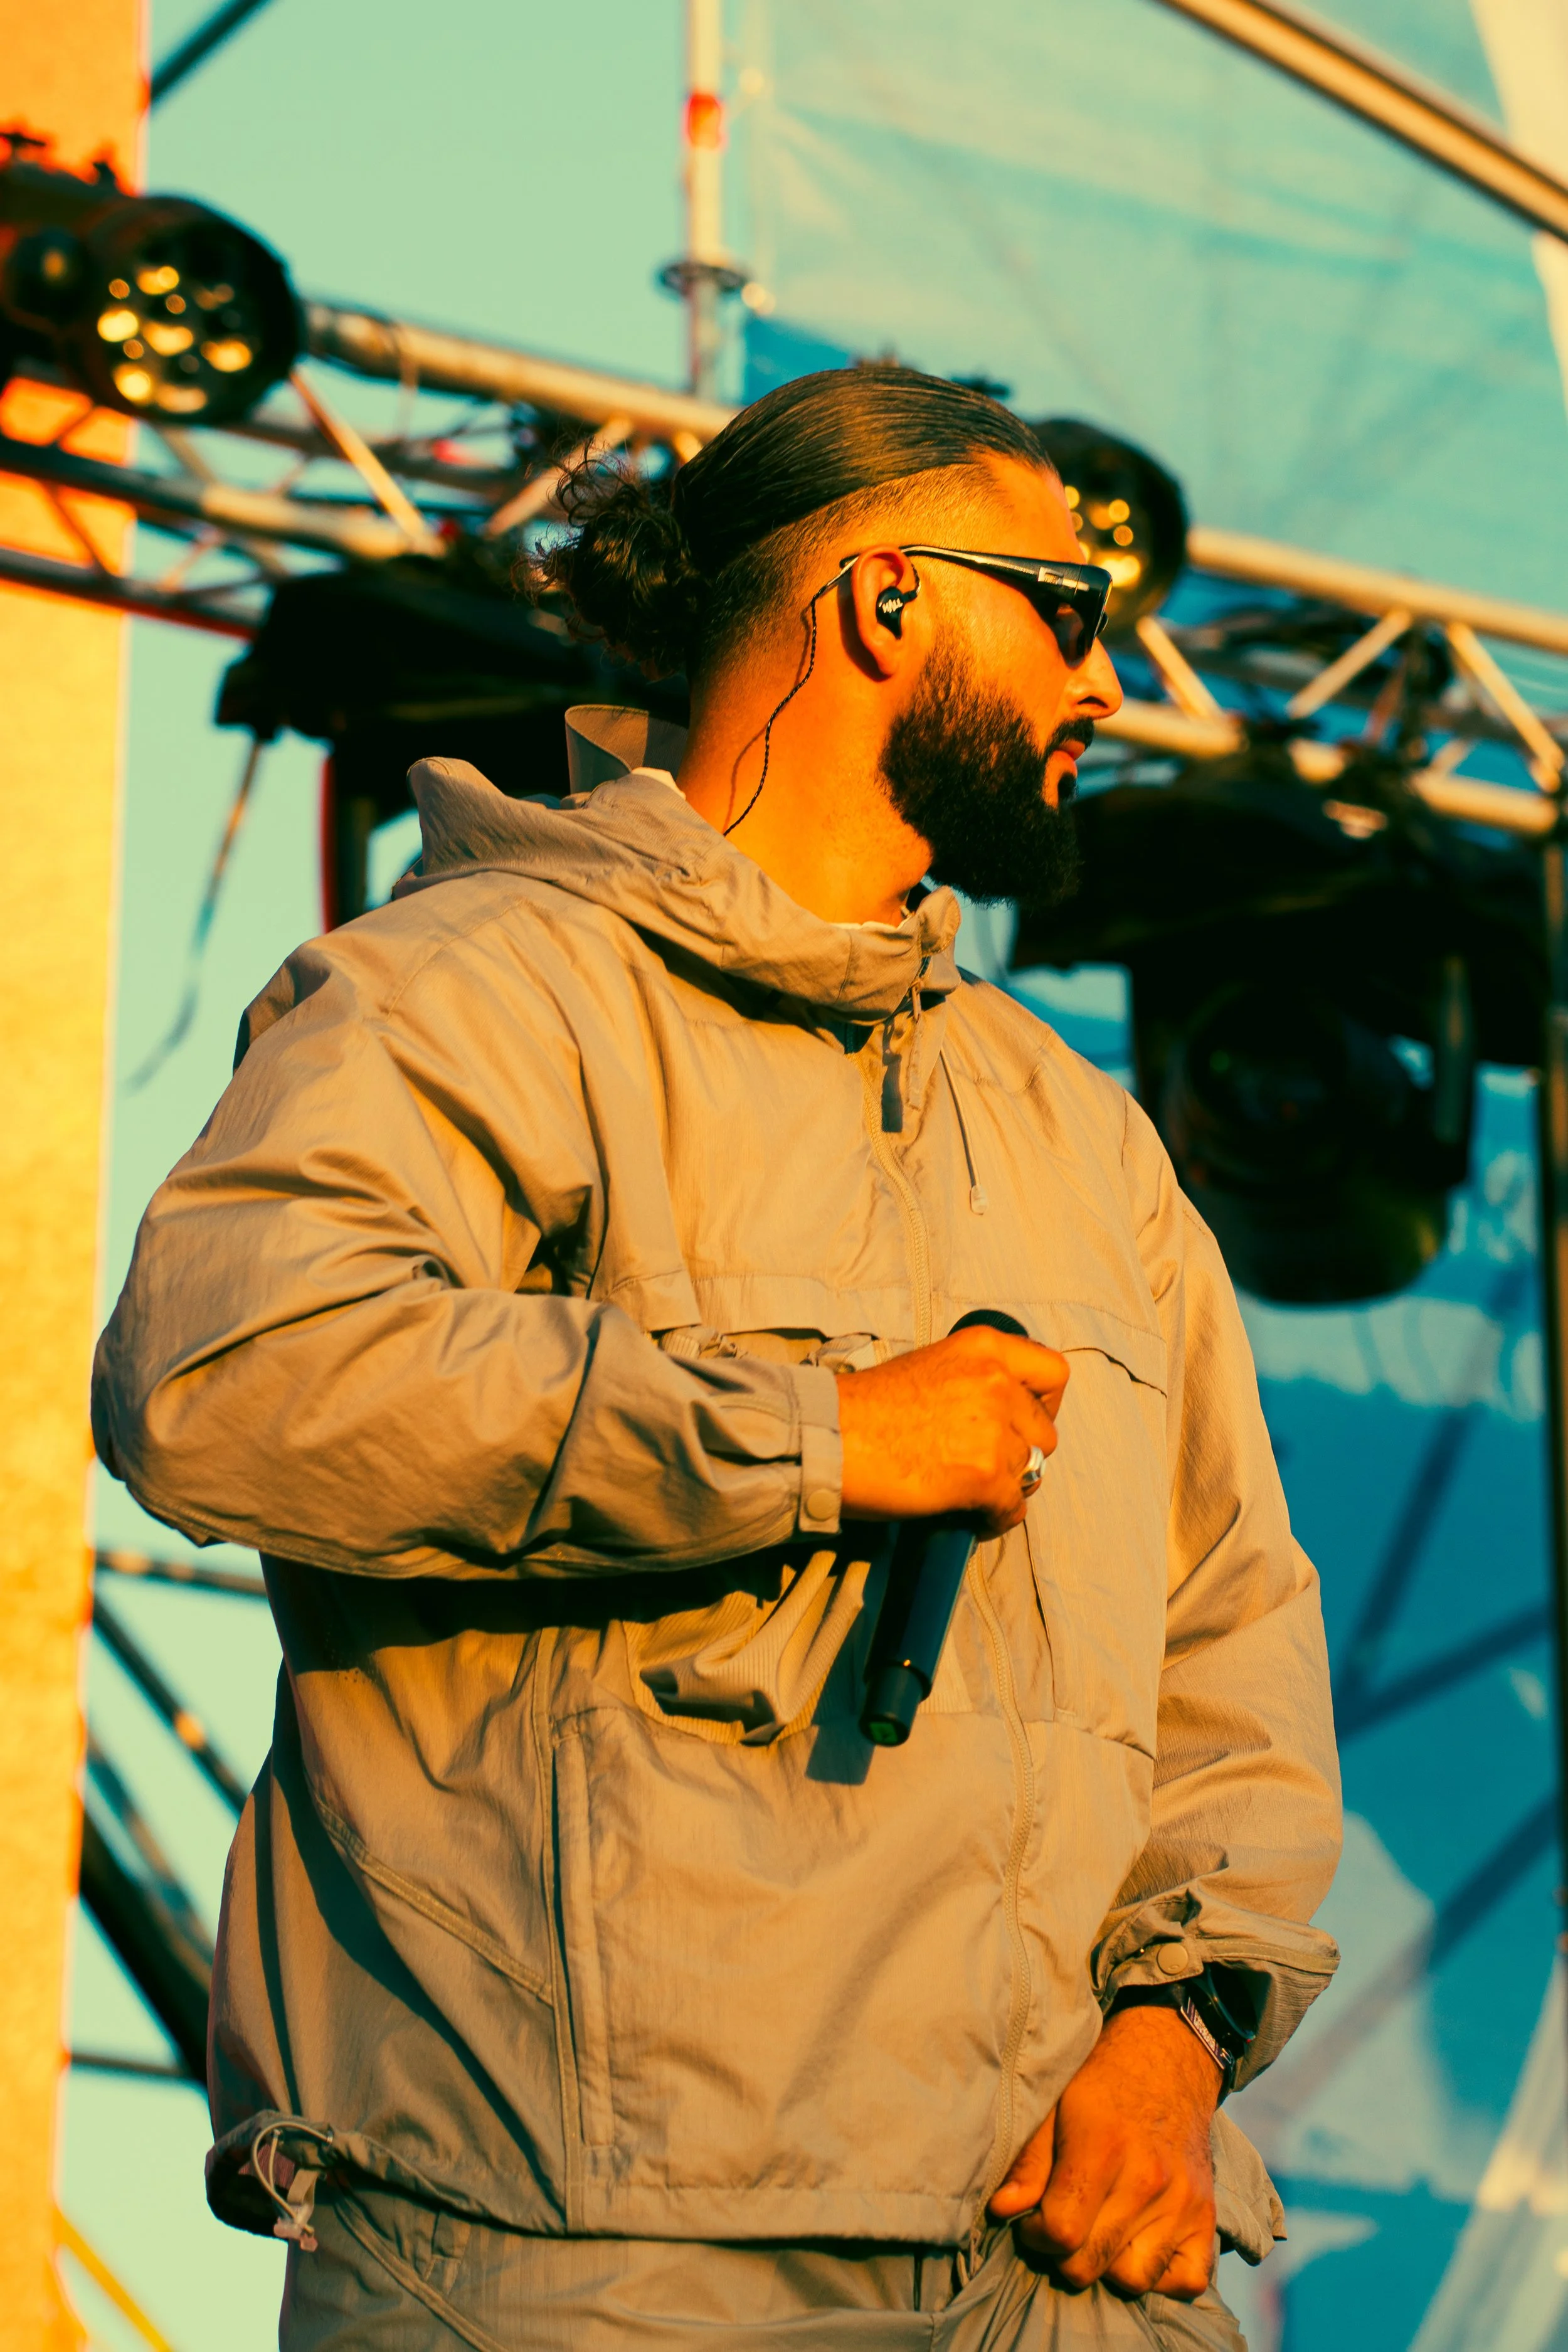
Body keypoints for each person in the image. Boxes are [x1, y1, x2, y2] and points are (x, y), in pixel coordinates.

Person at [92, 366, 1342, 2351]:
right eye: (1071, 610)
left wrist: (1176, 2037)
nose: (1115, 689)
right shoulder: (470, 988)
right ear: (881, 598)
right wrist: (814, 1433)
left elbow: (1230, 1645)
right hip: (583, 2257)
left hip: (1058, 2268)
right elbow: (227, 1372)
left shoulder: (1080, 1132)